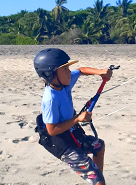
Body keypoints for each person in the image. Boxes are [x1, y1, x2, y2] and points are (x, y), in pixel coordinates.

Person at [34, 48, 112, 185]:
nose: (69, 73)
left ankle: (96, 178)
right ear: (50, 74)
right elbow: (52, 130)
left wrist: (100, 72)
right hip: (59, 141)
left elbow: (81, 70)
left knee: (99, 146)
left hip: (71, 133)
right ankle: (97, 180)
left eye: (68, 68)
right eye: (65, 70)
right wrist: (77, 119)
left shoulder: (64, 84)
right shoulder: (50, 99)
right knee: (98, 181)